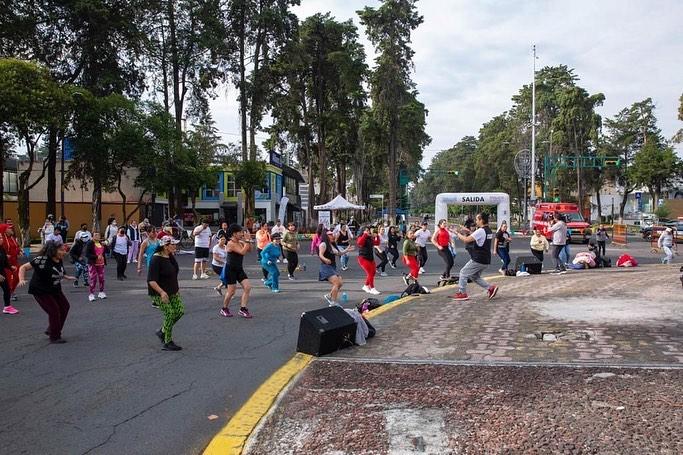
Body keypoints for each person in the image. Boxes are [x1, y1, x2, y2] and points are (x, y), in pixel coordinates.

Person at [18, 241, 76, 343]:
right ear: (53, 250)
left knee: (65, 307)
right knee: (54, 311)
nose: (64, 252)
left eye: (64, 250)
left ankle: (52, 329)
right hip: (40, 290)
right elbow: (23, 267)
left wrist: (66, 276)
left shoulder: (59, 259)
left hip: (54, 289)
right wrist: (21, 279)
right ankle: (54, 336)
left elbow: (59, 270)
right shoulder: (41, 260)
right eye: (61, 250)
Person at [147, 236, 184, 351]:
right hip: (159, 293)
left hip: (172, 290)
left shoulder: (170, 256)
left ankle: (162, 331)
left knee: (179, 311)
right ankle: (168, 341)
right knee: (170, 313)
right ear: (165, 246)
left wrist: (176, 288)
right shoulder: (156, 259)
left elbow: (174, 273)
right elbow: (151, 281)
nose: (175, 246)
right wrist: (162, 293)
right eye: (173, 244)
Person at [451, 212, 499, 301]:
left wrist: (456, 233)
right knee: (474, 277)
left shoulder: (480, 231)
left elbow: (466, 240)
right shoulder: (488, 230)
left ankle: (462, 293)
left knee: (463, 273)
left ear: (481, 220)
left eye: (477, 219)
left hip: (478, 259)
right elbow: (478, 235)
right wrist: (468, 231)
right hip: (485, 259)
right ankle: (490, 288)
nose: (476, 221)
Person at [220, 224, 253, 319]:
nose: (242, 234)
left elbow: (249, 250)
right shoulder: (230, 243)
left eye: (242, 232)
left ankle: (243, 309)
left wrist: (248, 240)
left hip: (239, 269)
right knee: (231, 292)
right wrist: (246, 241)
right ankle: (224, 308)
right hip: (230, 270)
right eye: (240, 232)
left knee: (247, 287)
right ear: (234, 234)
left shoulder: (241, 242)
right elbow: (242, 252)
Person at [319, 229, 352, 306]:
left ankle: (329, 295)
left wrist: (347, 250)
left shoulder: (332, 244)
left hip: (332, 267)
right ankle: (333, 302)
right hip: (325, 267)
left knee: (340, 283)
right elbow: (320, 255)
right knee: (336, 283)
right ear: (326, 236)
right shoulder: (323, 244)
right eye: (330, 234)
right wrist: (325, 259)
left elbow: (339, 253)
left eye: (332, 234)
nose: (332, 236)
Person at [356, 226, 380, 295]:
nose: (368, 231)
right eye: (366, 230)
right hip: (363, 258)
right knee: (370, 273)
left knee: (373, 272)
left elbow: (377, 243)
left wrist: (377, 236)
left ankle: (366, 286)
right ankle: (372, 288)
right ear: (362, 231)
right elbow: (360, 243)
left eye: (368, 230)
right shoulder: (361, 237)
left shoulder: (370, 238)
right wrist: (365, 235)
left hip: (370, 258)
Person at [0, 223, 21, 301]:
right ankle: (10, 294)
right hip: (6, 263)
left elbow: (15, 247)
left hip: (14, 261)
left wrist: (19, 251)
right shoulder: (2, 239)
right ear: (5, 230)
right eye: (9, 228)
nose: (11, 229)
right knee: (7, 280)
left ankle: (11, 291)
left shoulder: (12, 237)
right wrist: (5, 256)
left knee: (18, 277)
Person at [85, 232, 107, 302]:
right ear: (92, 236)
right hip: (93, 264)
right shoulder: (90, 243)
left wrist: (106, 245)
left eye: (98, 235)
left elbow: (105, 252)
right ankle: (91, 294)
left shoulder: (101, 243)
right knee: (93, 279)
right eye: (96, 235)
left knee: (102, 278)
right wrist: (96, 256)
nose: (97, 236)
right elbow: (87, 254)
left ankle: (101, 292)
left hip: (101, 264)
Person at [0, 235, 18, 314]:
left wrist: (11, 267)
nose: (2, 239)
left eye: (1, 237)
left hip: (2, 273)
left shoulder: (1, 249)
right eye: (0, 238)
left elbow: (5, 262)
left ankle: (7, 307)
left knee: (7, 289)